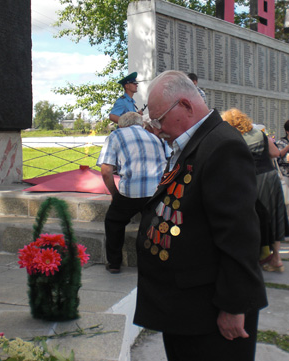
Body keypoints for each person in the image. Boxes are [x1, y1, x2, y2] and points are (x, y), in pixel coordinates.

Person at [133, 70, 267, 361]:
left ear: (186, 105)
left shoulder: (222, 145)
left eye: (158, 120)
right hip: (190, 307)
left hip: (210, 313)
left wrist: (234, 307)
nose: (155, 129)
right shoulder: (197, 141)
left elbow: (239, 235)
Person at [97, 111, 167, 273]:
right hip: (156, 192)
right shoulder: (154, 137)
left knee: (114, 221)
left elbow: (106, 171)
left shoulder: (116, 135)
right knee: (152, 225)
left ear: (121, 125)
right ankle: (155, 264)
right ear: (141, 124)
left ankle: (114, 263)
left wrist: (115, 194)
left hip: (130, 191)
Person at [223, 109, 288, 273]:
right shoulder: (259, 132)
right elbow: (275, 153)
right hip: (272, 177)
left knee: (256, 217)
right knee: (275, 215)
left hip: (254, 179)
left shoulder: (234, 137)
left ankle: (258, 256)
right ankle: (277, 258)